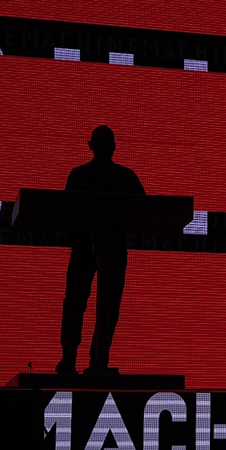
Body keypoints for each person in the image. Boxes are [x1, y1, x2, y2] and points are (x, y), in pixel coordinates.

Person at [60, 125, 145, 375]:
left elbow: (146, 210)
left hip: (112, 248)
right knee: (77, 302)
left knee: (103, 305)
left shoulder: (115, 177)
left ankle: (95, 358)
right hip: (86, 246)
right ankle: (73, 357)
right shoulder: (111, 176)